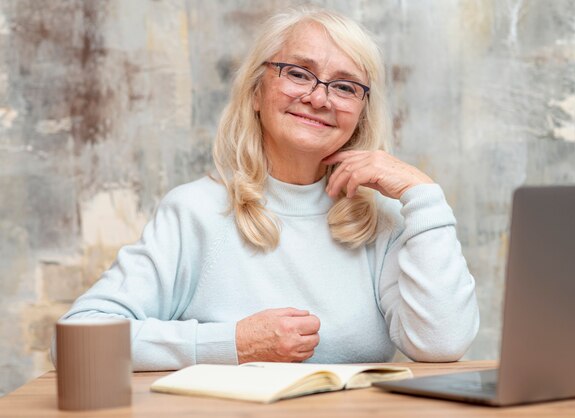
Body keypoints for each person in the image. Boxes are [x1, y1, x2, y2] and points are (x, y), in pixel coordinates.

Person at [53, 7, 479, 371]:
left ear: (361, 115)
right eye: (298, 73)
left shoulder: (381, 222)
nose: (319, 98)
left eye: (345, 86)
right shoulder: (195, 210)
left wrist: (422, 194)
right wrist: (233, 344)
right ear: (256, 91)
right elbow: (74, 343)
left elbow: (441, 345)